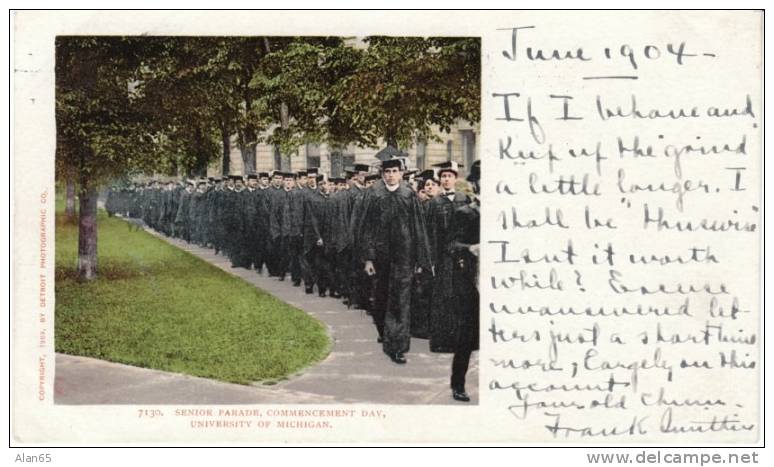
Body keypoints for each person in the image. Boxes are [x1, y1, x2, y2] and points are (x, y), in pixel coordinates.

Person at [356, 152, 431, 364]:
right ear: (382, 174)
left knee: (401, 300)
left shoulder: (408, 195)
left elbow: (418, 228)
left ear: (401, 173)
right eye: (387, 172)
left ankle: (397, 346)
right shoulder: (373, 194)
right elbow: (366, 228)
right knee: (380, 299)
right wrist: (368, 259)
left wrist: (420, 260)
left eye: (394, 171)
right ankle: (385, 332)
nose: (390, 176)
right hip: (380, 257)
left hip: (404, 256)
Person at [426, 161, 470, 353]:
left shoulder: (464, 199)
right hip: (442, 257)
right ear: (440, 179)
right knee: (443, 297)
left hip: (461, 256)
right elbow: (429, 233)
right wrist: (430, 260)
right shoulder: (435, 203)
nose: (446, 179)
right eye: (443, 176)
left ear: (455, 178)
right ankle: (442, 341)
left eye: (449, 176)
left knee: (461, 297)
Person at [449, 160, 480, 402]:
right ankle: (458, 383)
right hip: (472, 281)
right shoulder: (465, 213)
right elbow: (451, 245)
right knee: (467, 336)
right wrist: (470, 248)